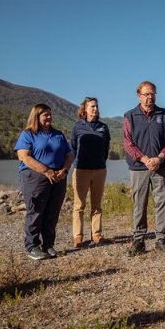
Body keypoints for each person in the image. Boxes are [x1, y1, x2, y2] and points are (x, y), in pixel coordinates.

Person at [14, 104, 73, 260]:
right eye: (45, 115)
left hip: (58, 178)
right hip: (36, 178)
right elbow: (24, 156)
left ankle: (48, 245)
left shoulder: (58, 134)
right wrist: (46, 171)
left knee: (52, 213)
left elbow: (69, 155)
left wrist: (65, 170)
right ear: (36, 117)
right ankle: (32, 246)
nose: (49, 117)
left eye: (50, 114)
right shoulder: (28, 134)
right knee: (36, 212)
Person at [123, 81, 165, 255]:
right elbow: (128, 143)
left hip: (161, 166)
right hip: (139, 168)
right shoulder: (130, 116)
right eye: (146, 94)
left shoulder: (164, 114)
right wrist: (145, 159)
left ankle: (161, 239)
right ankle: (139, 240)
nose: (150, 97)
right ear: (139, 95)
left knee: (162, 203)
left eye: (152, 93)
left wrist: (159, 158)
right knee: (139, 204)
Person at [70, 97, 111, 248]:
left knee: (97, 204)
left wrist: (101, 161)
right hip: (81, 170)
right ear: (85, 109)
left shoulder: (103, 127)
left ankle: (96, 235)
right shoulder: (77, 127)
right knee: (79, 205)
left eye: (96, 106)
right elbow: (73, 148)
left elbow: (106, 147)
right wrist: (78, 163)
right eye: (92, 106)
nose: (95, 109)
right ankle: (78, 237)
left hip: (99, 170)